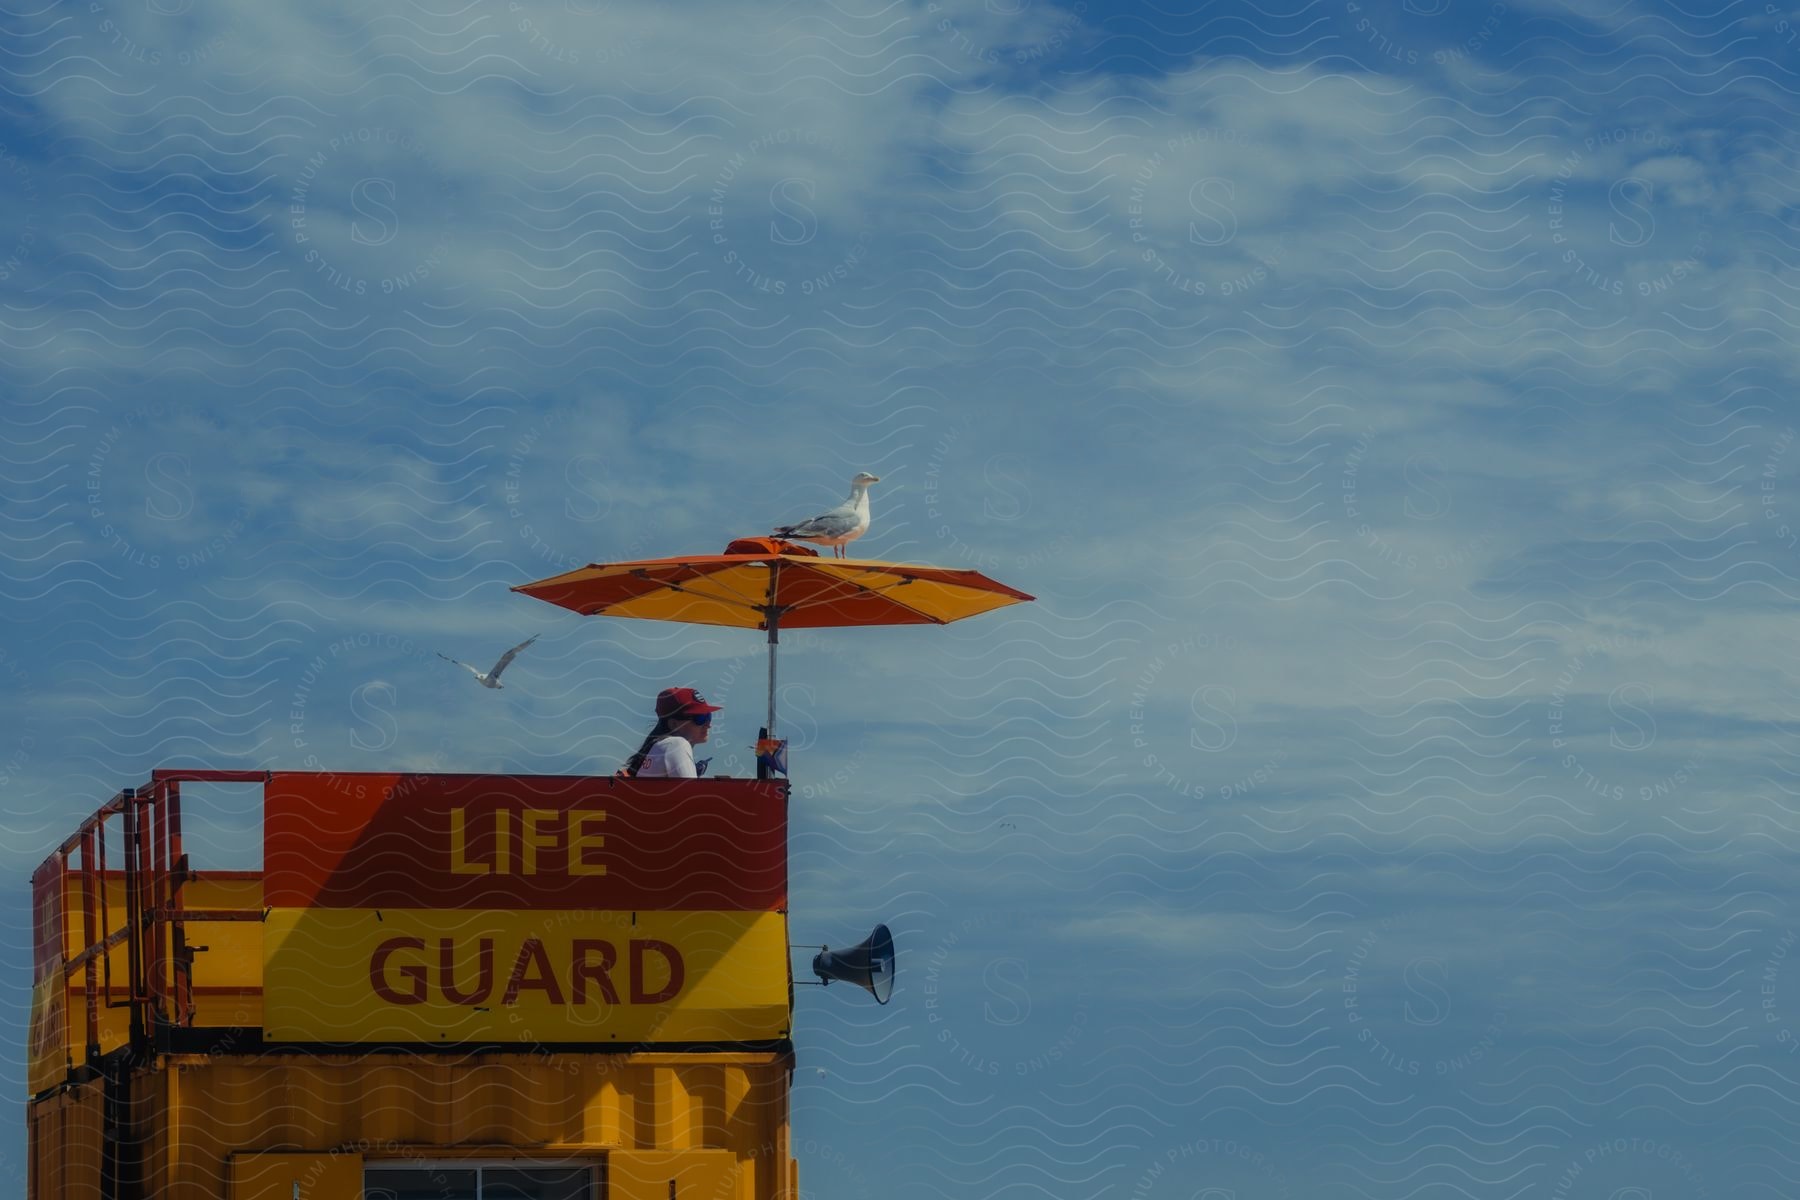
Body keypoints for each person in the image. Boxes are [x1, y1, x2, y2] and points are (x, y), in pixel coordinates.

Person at [620, 687, 722, 778]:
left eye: (708, 716)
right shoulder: (677, 744)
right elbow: (691, 797)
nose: (708, 724)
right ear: (673, 724)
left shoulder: (660, 746)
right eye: (700, 718)